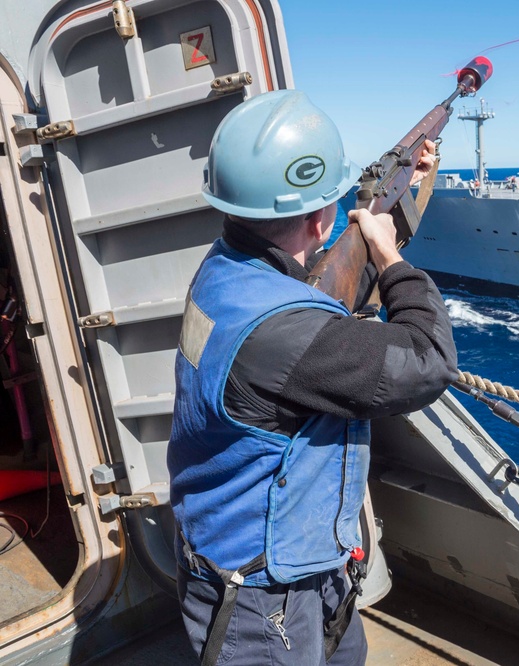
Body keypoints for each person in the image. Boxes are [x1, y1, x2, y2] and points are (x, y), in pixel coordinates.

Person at [167, 89, 458, 666]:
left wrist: (410, 188)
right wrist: (389, 254)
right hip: (258, 588)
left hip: (291, 556)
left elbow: (328, 299)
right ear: (322, 216)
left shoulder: (225, 270)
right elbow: (427, 360)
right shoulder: (288, 334)